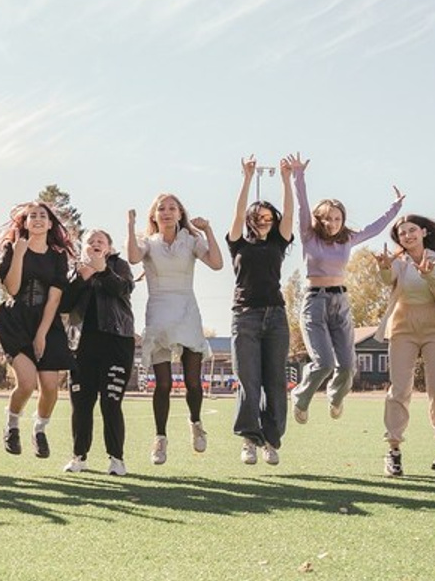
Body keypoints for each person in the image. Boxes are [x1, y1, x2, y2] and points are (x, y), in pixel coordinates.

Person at [291, 157, 402, 424]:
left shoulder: (348, 239)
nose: (332, 222)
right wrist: (298, 176)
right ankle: (301, 397)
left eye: (337, 218)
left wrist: (395, 207)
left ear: (343, 220)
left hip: (340, 302)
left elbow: (375, 228)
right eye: (327, 218)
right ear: (319, 220)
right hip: (314, 303)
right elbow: (302, 206)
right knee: (324, 363)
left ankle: (336, 397)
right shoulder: (309, 236)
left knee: (348, 365)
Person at [126, 193, 222, 464]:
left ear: (180, 214)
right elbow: (133, 258)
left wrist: (208, 230)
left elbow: (217, 264)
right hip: (159, 313)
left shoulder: (190, 241)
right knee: (164, 383)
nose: (167, 212)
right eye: (161, 209)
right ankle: (160, 439)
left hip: (186, 311)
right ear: (154, 215)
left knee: (193, 381)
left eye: (172, 208)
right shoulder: (148, 243)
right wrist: (130, 226)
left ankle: (196, 422)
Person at [227, 155, 295, 465]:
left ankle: (271, 440)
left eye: (268, 217)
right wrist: (246, 178)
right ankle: (249, 439)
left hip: (276, 317)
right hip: (245, 317)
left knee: (276, 383)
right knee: (249, 381)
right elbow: (239, 212)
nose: (263, 221)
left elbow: (289, 213)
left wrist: (286, 180)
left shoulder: (279, 242)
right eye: (258, 217)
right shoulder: (238, 243)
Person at [0, 201, 74, 458]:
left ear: (50, 224)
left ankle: (39, 430)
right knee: (27, 383)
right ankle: (12, 425)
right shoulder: (13, 249)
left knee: (50, 386)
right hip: (15, 321)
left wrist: (41, 334)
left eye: (43, 216)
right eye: (32, 216)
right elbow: (13, 289)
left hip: (47, 323)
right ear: (26, 223)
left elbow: (54, 299)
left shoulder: (58, 256)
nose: (38, 219)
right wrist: (19, 254)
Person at [374, 214, 435, 477]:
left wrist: (429, 273)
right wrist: (384, 268)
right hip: (403, 328)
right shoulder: (398, 260)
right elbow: (387, 279)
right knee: (399, 390)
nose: (407, 235)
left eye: (412, 230)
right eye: (402, 233)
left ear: (424, 232)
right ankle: (393, 451)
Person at [61, 230, 135, 475]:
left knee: (110, 403)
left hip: (116, 343)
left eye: (100, 241)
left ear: (109, 248)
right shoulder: (75, 269)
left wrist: (103, 270)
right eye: (90, 241)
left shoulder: (118, 265)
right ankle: (79, 457)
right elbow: (64, 303)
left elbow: (124, 289)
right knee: (81, 404)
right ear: (82, 247)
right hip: (81, 346)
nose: (95, 244)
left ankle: (116, 459)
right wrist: (81, 278)